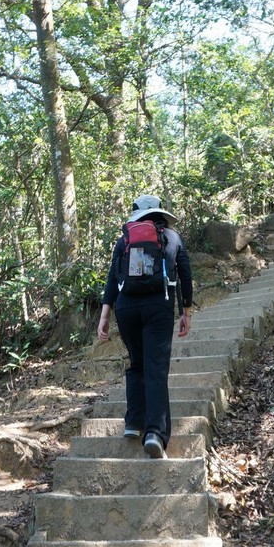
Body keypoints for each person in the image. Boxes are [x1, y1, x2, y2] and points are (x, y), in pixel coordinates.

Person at [97, 195, 193, 458]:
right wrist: (185, 311)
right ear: (160, 213)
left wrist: (104, 315)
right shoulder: (173, 238)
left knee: (137, 363)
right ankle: (154, 434)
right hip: (158, 307)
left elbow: (112, 278)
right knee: (155, 368)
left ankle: (133, 422)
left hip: (126, 309)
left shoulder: (125, 239)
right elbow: (185, 275)